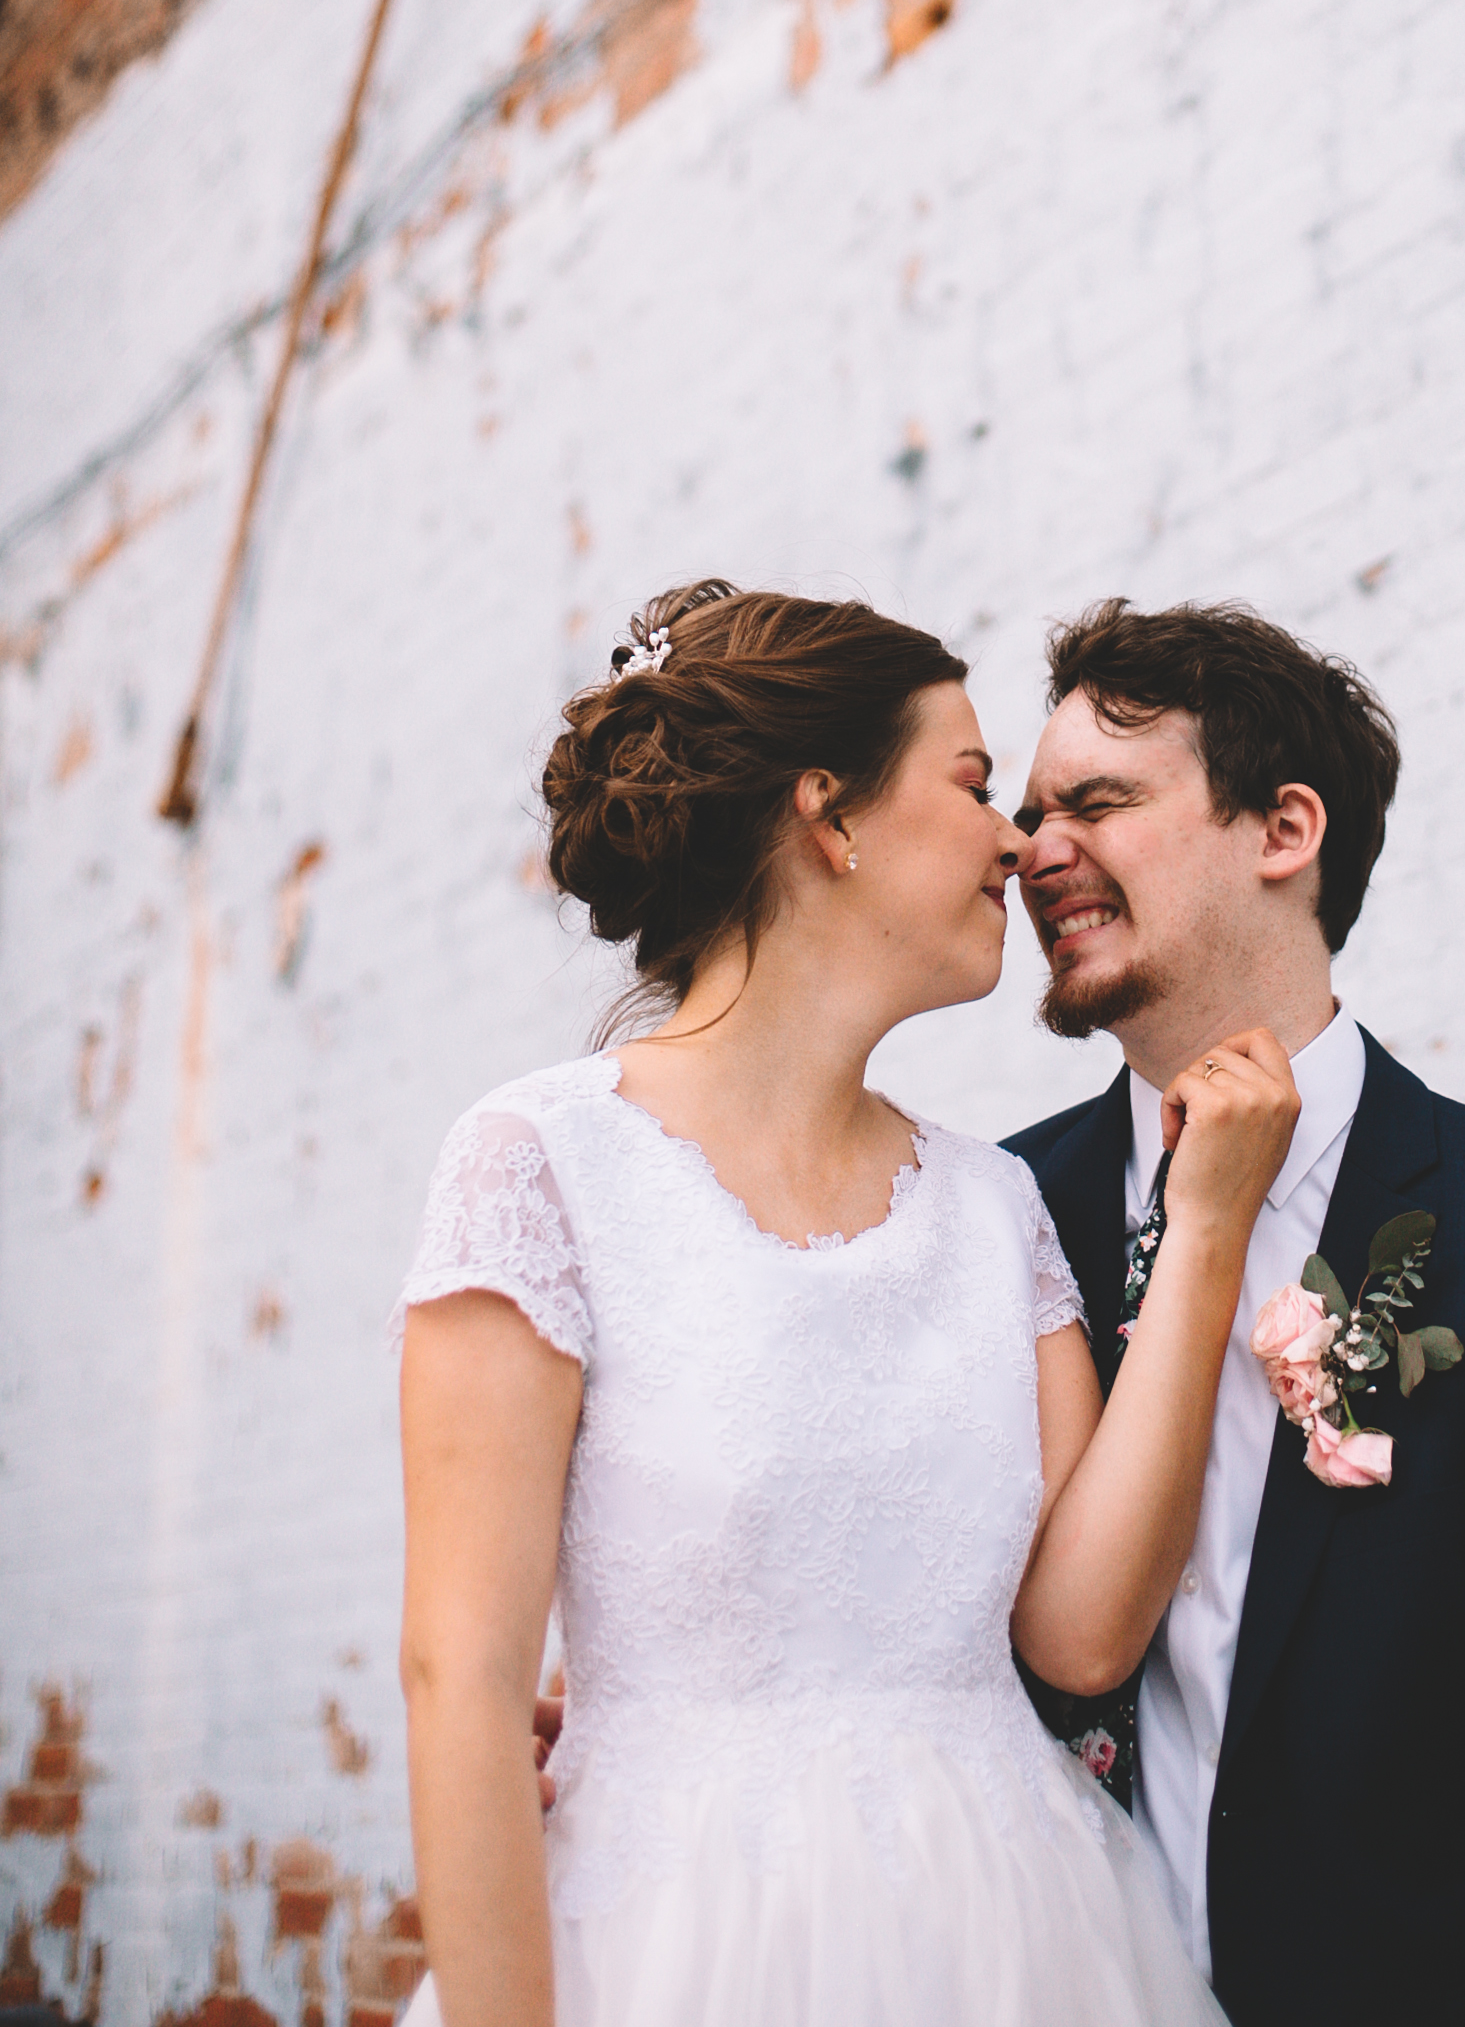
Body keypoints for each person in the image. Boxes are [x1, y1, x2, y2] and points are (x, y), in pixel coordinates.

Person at [393, 580, 1301, 2027]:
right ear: (829, 813)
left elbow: (1077, 1634)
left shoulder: (989, 1208)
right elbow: (463, 1678)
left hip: (1013, 1933)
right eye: (973, 784)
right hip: (676, 1931)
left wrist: (1204, 1232)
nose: (1018, 840)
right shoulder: (542, 1164)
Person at [1001, 597, 1465, 2026]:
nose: (1033, 852)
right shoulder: (990, 1224)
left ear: (1282, 831)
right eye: (1025, 813)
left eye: (1095, 802)